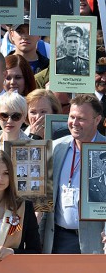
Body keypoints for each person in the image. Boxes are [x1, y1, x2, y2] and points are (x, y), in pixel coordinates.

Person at [42, 94, 105, 254]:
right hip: (57, 239)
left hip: (96, 241)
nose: (74, 123)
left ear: (97, 120)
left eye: (81, 118)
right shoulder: (55, 148)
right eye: (72, 117)